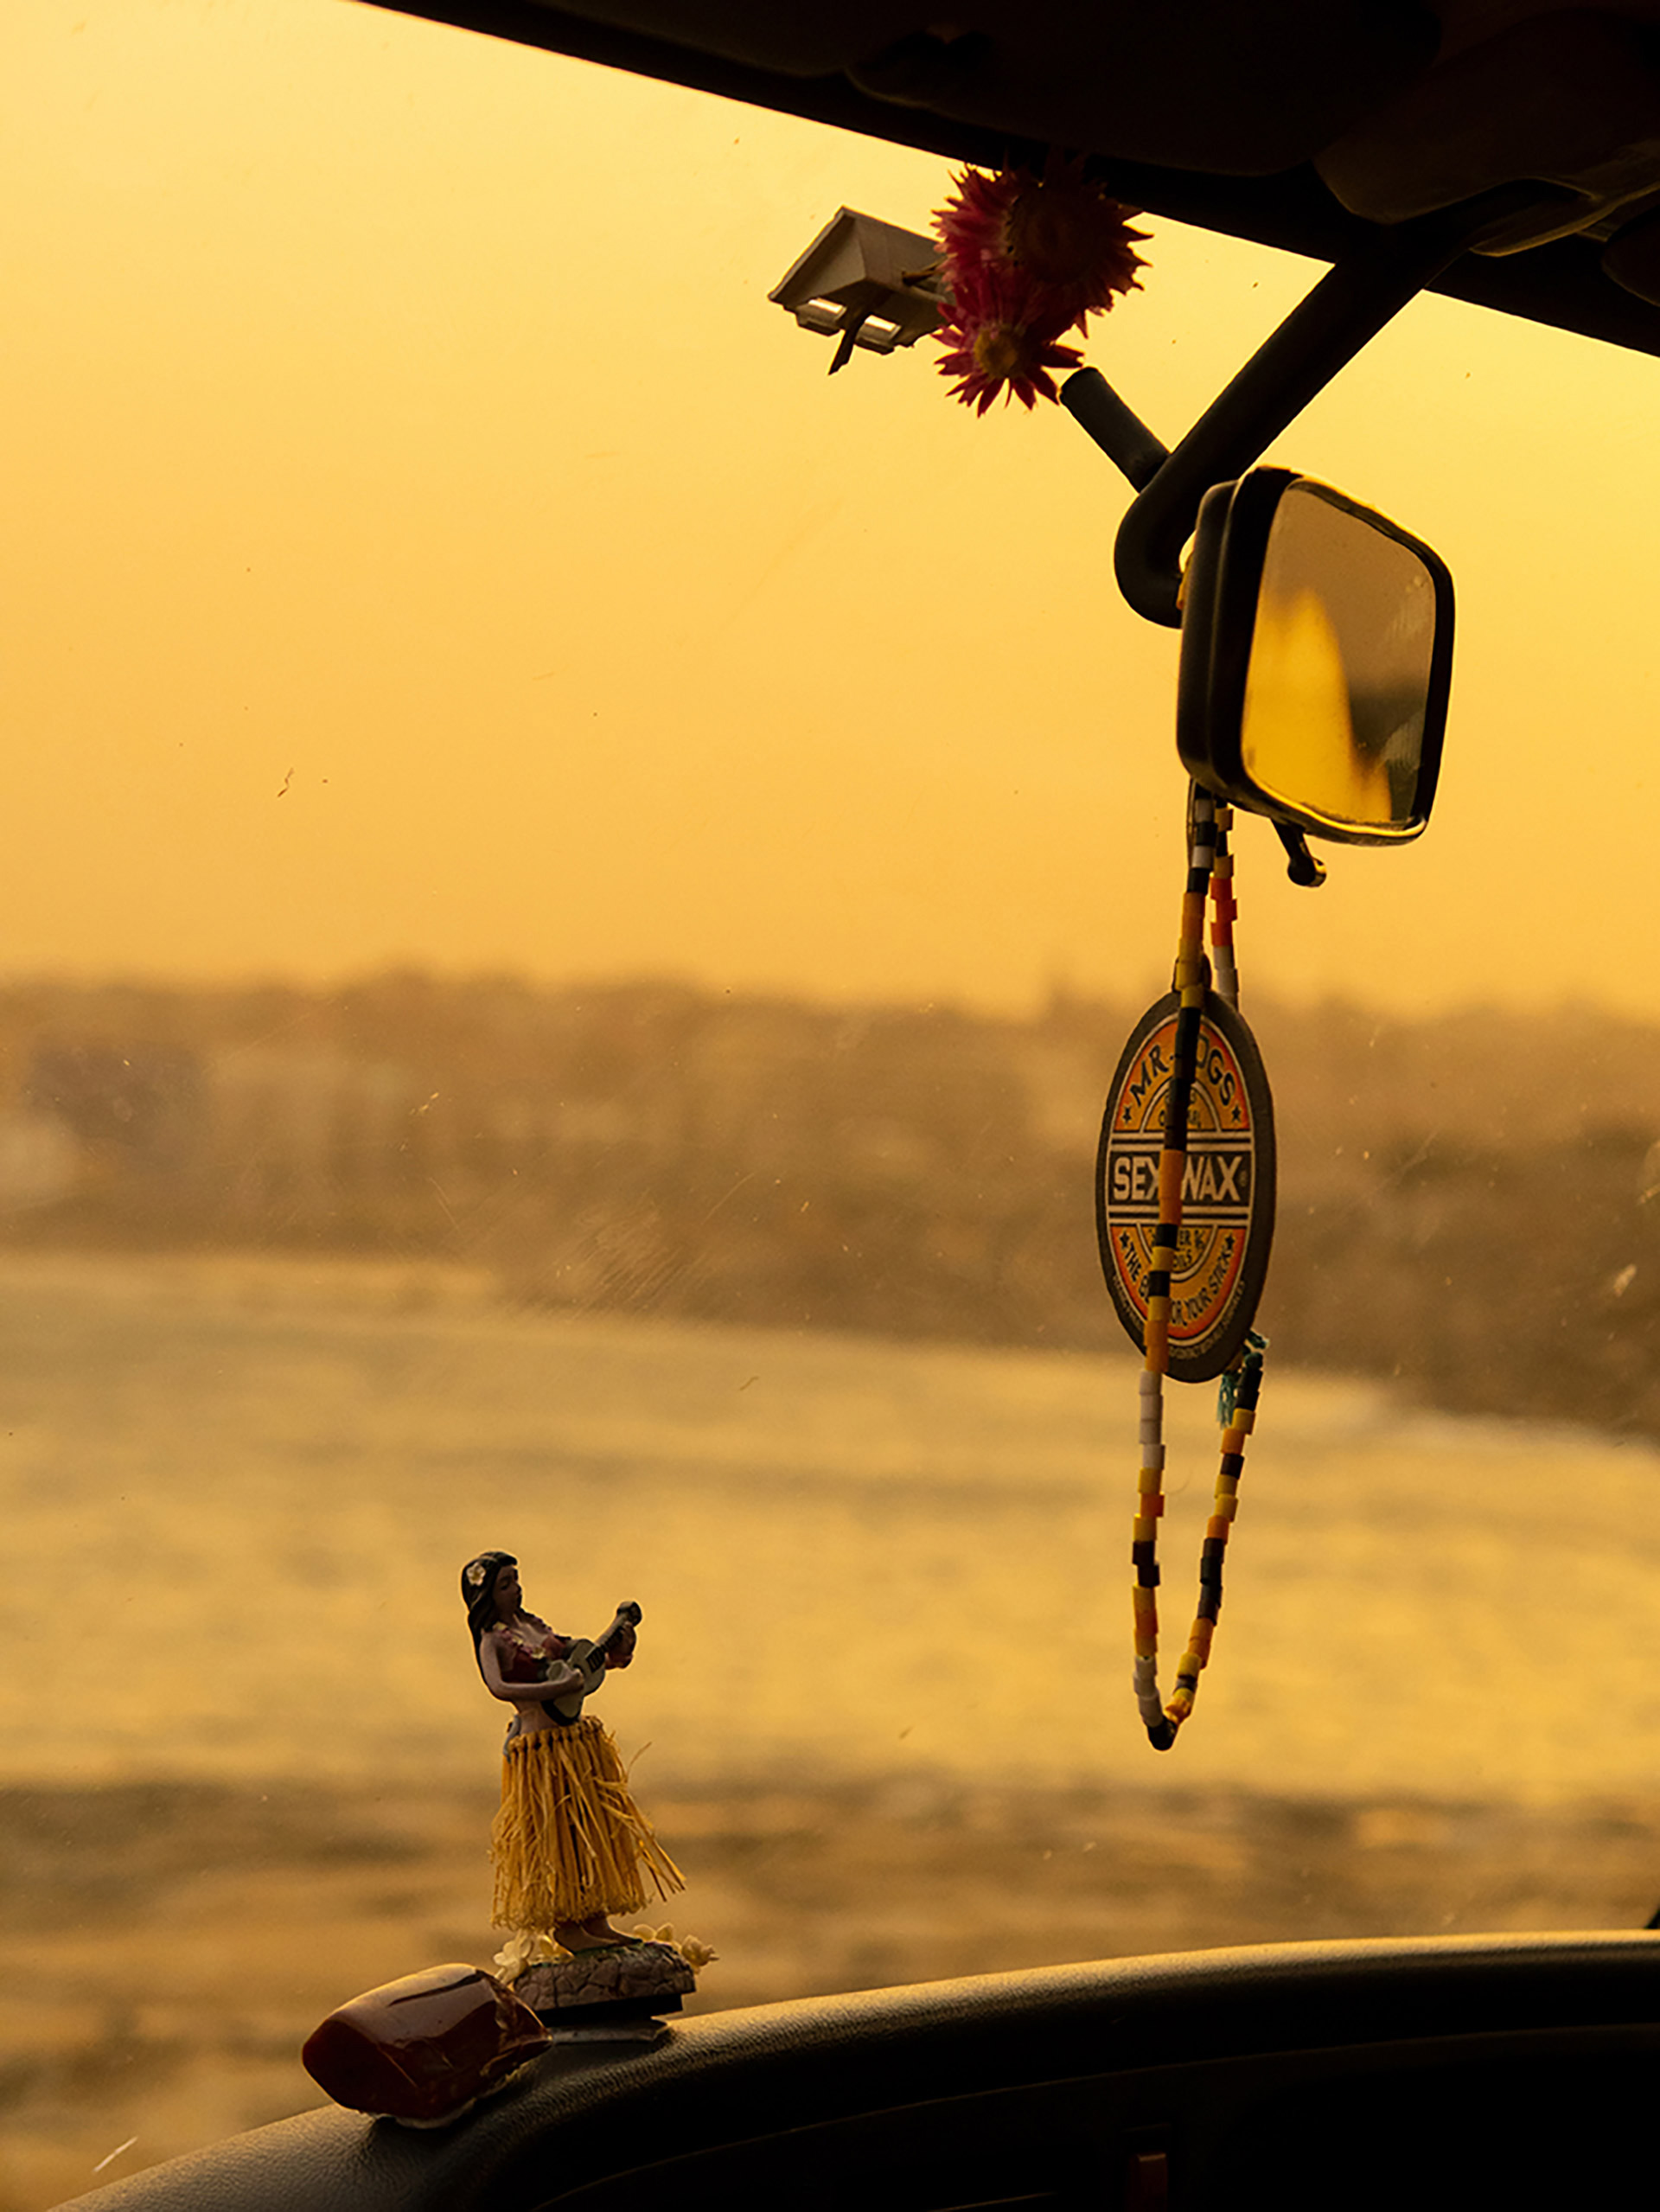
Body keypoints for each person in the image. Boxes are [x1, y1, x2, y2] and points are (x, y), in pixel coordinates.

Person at [462, 1550, 682, 1957]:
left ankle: (595, 1920)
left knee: (590, 1833)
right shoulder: (493, 1641)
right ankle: (567, 1926)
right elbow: (499, 1688)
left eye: (516, 1580)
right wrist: (555, 1689)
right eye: (505, 1584)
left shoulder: (533, 1626)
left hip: (576, 1744)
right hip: (541, 1751)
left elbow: (576, 1662)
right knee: (557, 1836)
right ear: (485, 1596)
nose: (516, 1589)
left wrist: (613, 1655)